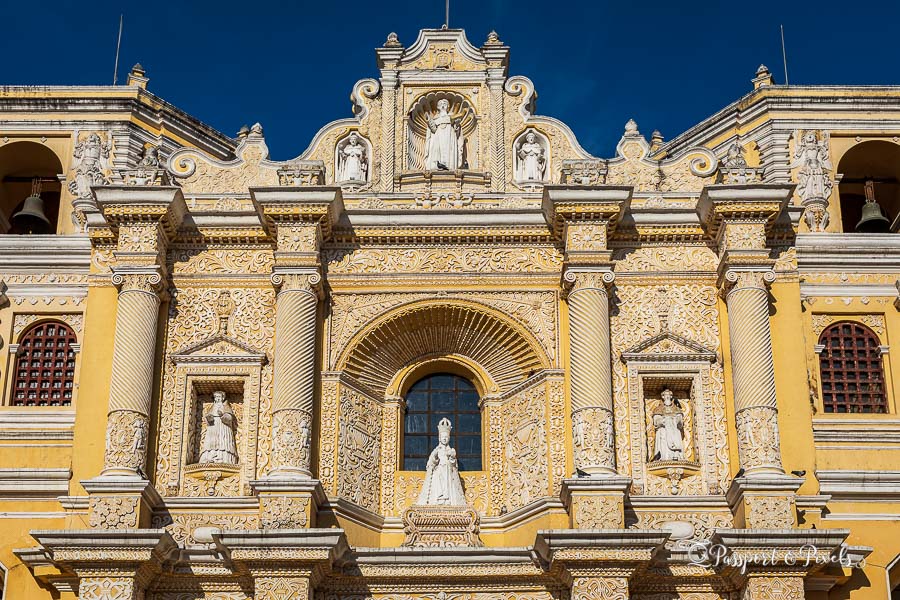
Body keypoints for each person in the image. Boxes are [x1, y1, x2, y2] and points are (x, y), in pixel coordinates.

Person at [417, 418, 466, 505]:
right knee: (438, 485)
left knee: (447, 485)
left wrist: (452, 457)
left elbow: (454, 465)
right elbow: (430, 464)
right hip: (438, 472)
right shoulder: (436, 450)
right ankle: (439, 498)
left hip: (448, 472)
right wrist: (435, 458)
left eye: (446, 437)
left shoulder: (451, 450)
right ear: (439, 438)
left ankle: (447, 499)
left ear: (449, 438)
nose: (444, 439)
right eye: (443, 437)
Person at [199, 391, 238, 464]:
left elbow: (229, 418)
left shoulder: (225, 407)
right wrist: (209, 419)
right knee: (211, 442)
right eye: (216, 397)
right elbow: (207, 419)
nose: (217, 398)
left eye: (219, 397)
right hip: (213, 427)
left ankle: (223, 458)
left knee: (223, 441)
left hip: (223, 427)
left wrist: (222, 415)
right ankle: (210, 457)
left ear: (223, 398)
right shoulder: (212, 407)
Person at [425, 99, 463, 170]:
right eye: (440, 104)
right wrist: (428, 119)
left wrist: (457, 125)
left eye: (445, 104)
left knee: (449, 151)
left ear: (448, 106)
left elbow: (457, 133)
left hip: (449, 137)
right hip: (438, 137)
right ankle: (438, 165)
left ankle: (449, 166)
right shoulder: (435, 118)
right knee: (438, 150)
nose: (442, 106)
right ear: (438, 107)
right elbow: (433, 129)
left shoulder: (452, 116)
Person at [651, 388, 685, 461]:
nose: (667, 396)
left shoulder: (676, 409)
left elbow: (680, 421)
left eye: (669, 395)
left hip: (674, 430)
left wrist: (675, 420)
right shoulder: (658, 409)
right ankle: (664, 457)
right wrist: (665, 420)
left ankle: (677, 456)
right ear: (663, 397)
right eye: (665, 395)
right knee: (663, 440)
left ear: (671, 396)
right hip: (664, 431)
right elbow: (656, 421)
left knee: (676, 439)